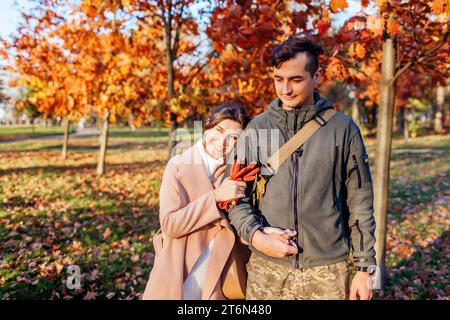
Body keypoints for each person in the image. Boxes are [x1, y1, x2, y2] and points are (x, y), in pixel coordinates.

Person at [226, 36, 376, 300]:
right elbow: (235, 196)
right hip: (267, 269)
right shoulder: (257, 130)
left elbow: (360, 201)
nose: (285, 89)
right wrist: (257, 236)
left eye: (296, 79)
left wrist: (364, 269)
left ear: (316, 76)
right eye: (278, 79)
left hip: (327, 271)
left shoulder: (343, 129)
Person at [141, 101, 252, 300]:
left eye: (233, 137)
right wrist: (216, 197)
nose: (222, 142)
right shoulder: (178, 166)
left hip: (219, 272)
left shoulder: (236, 172)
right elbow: (170, 225)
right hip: (178, 268)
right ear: (208, 125)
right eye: (218, 131)